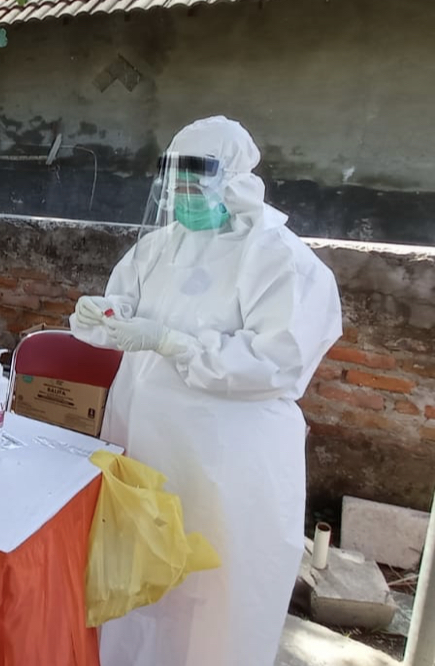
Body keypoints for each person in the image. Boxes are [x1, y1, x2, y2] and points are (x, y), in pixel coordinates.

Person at [70, 116, 342, 666]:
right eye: (179, 184)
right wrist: (103, 315)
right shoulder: (159, 247)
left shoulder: (281, 260)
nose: (186, 196)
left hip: (227, 465)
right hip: (146, 445)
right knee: (139, 582)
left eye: (199, 182)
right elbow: (123, 311)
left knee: (217, 596)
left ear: (236, 179)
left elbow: (277, 362)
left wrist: (176, 343)